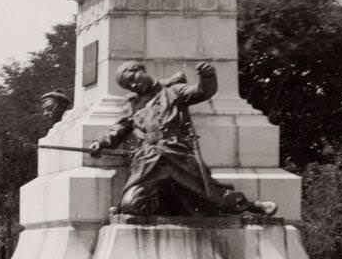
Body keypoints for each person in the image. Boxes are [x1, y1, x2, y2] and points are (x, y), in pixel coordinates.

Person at [88, 60, 277, 217]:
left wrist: (207, 77)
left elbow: (203, 91)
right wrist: (101, 142)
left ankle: (252, 206)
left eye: (132, 78)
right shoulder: (133, 104)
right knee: (131, 206)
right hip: (148, 161)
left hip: (177, 155)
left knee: (213, 196)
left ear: (142, 70)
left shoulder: (173, 91)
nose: (134, 85)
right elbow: (119, 127)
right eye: (128, 85)